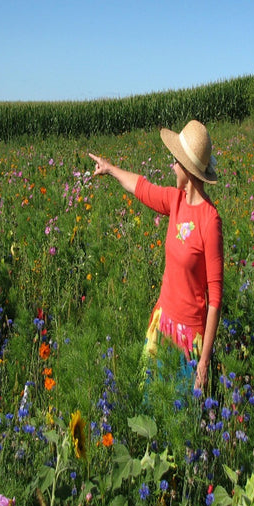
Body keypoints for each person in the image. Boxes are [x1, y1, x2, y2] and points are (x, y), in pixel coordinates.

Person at [88, 120, 223, 390]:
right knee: (150, 405)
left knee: (179, 418)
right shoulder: (175, 201)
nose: (172, 165)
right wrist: (111, 169)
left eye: (176, 161)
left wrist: (204, 363)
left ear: (187, 168)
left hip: (189, 339)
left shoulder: (210, 220)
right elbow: (141, 187)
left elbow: (215, 298)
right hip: (162, 326)